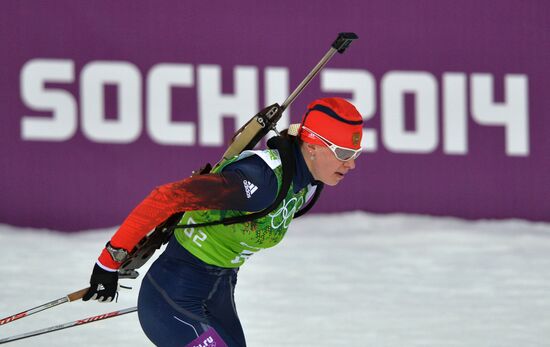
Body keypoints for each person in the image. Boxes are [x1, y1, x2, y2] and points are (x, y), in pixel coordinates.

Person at [82, 97, 364, 347]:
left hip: (218, 293)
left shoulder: (308, 184)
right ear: (313, 146)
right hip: (172, 297)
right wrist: (108, 262)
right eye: (343, 153)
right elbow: (167, 197)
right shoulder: (258, 181)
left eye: (356, 153)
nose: (351, 164)